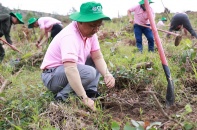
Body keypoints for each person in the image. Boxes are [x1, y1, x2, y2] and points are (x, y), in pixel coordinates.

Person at [40, 1, 115, 111]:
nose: (96, 30)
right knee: (89, 72)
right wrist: (83, 98)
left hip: (68, 70)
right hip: (53, 75)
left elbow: (97, 57)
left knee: (93, 60)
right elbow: (70, 69)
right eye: (92, 26)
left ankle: (90, 92)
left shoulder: (91, 34)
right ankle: (62, 98)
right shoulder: (70, 36)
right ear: (80, 21)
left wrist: (107, 74)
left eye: (98, 26)